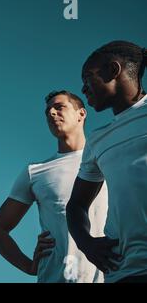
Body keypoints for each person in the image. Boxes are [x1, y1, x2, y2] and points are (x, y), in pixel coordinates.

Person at [0, 90, 108, 282]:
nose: (51, 113)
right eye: (48, 111)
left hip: (117, 275)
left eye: (59, 107)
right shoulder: (35, 171)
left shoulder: (108, 158)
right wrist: (28, 266)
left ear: (81, 114)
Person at [66, 40, 147, 283]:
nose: (83, 89)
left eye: (87, 78)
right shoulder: (98, 139)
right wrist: (86, 244)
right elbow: (76, 205)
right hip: (124, 271)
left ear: (113, 70)